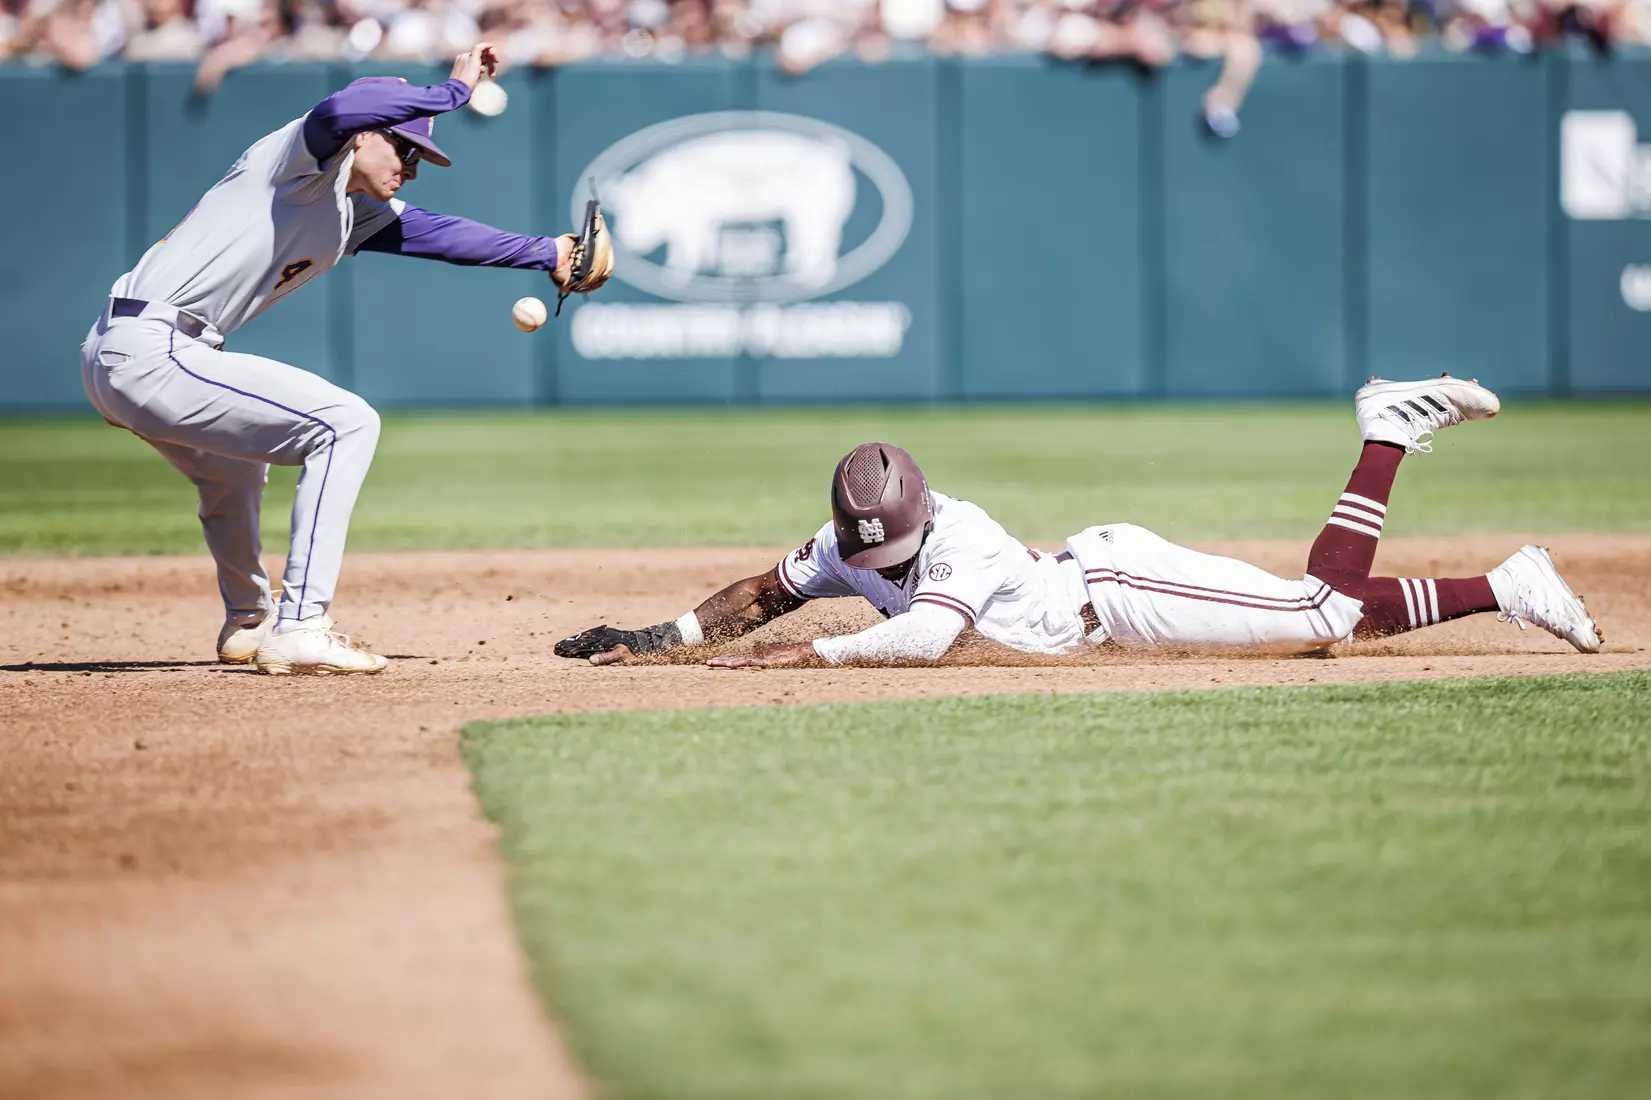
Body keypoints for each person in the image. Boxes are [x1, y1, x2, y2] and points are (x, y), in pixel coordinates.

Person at [81, 43, 610, 675]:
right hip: (154, 347)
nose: (413, 168)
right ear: (362, 139)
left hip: (132, 350)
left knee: (234, 472)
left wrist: (545, 252)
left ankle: (251, 620)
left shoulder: (345, 210)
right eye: (406, 150)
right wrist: (453, 92)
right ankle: (302, 624)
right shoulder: (295, 162)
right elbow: (345, 105)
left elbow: (437, 235)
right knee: (346, 423)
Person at [555, 375, 1603, 669]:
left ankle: (1383, 430)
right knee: (1309, 624)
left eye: (886, 544)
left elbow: (922, 637)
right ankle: (1507, 585)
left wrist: (796, 660)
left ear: (917, 513)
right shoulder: (847, 540)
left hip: (1117, 591)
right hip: (1112, 608)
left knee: (1322, 609)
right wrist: (662, 638)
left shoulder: (955, 534)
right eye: (862, 546)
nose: (873, 559)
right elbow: (759, 592)